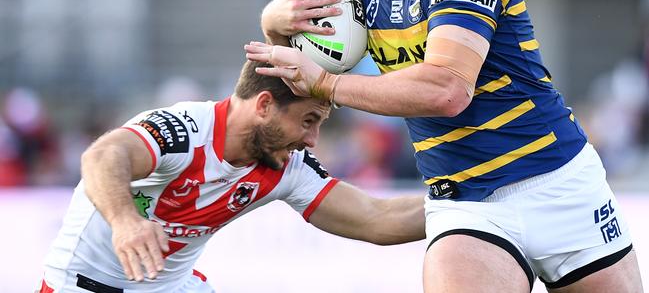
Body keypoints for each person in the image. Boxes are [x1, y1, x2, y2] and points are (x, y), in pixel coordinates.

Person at [249, 0, 644, 292]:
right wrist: (274, 23)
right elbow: (299, 81)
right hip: (465, 204)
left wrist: (329, 83)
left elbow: (447, 90)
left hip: (559, 183)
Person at [38, 60, 424, 293]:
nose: (311, 140)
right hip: (83, 286)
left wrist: (469, 209)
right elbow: (104, 154)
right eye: (308, 121)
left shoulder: (285, 166)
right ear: (265, 105)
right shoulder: (185, 131)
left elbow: (376, 219)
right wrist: (125, 221)